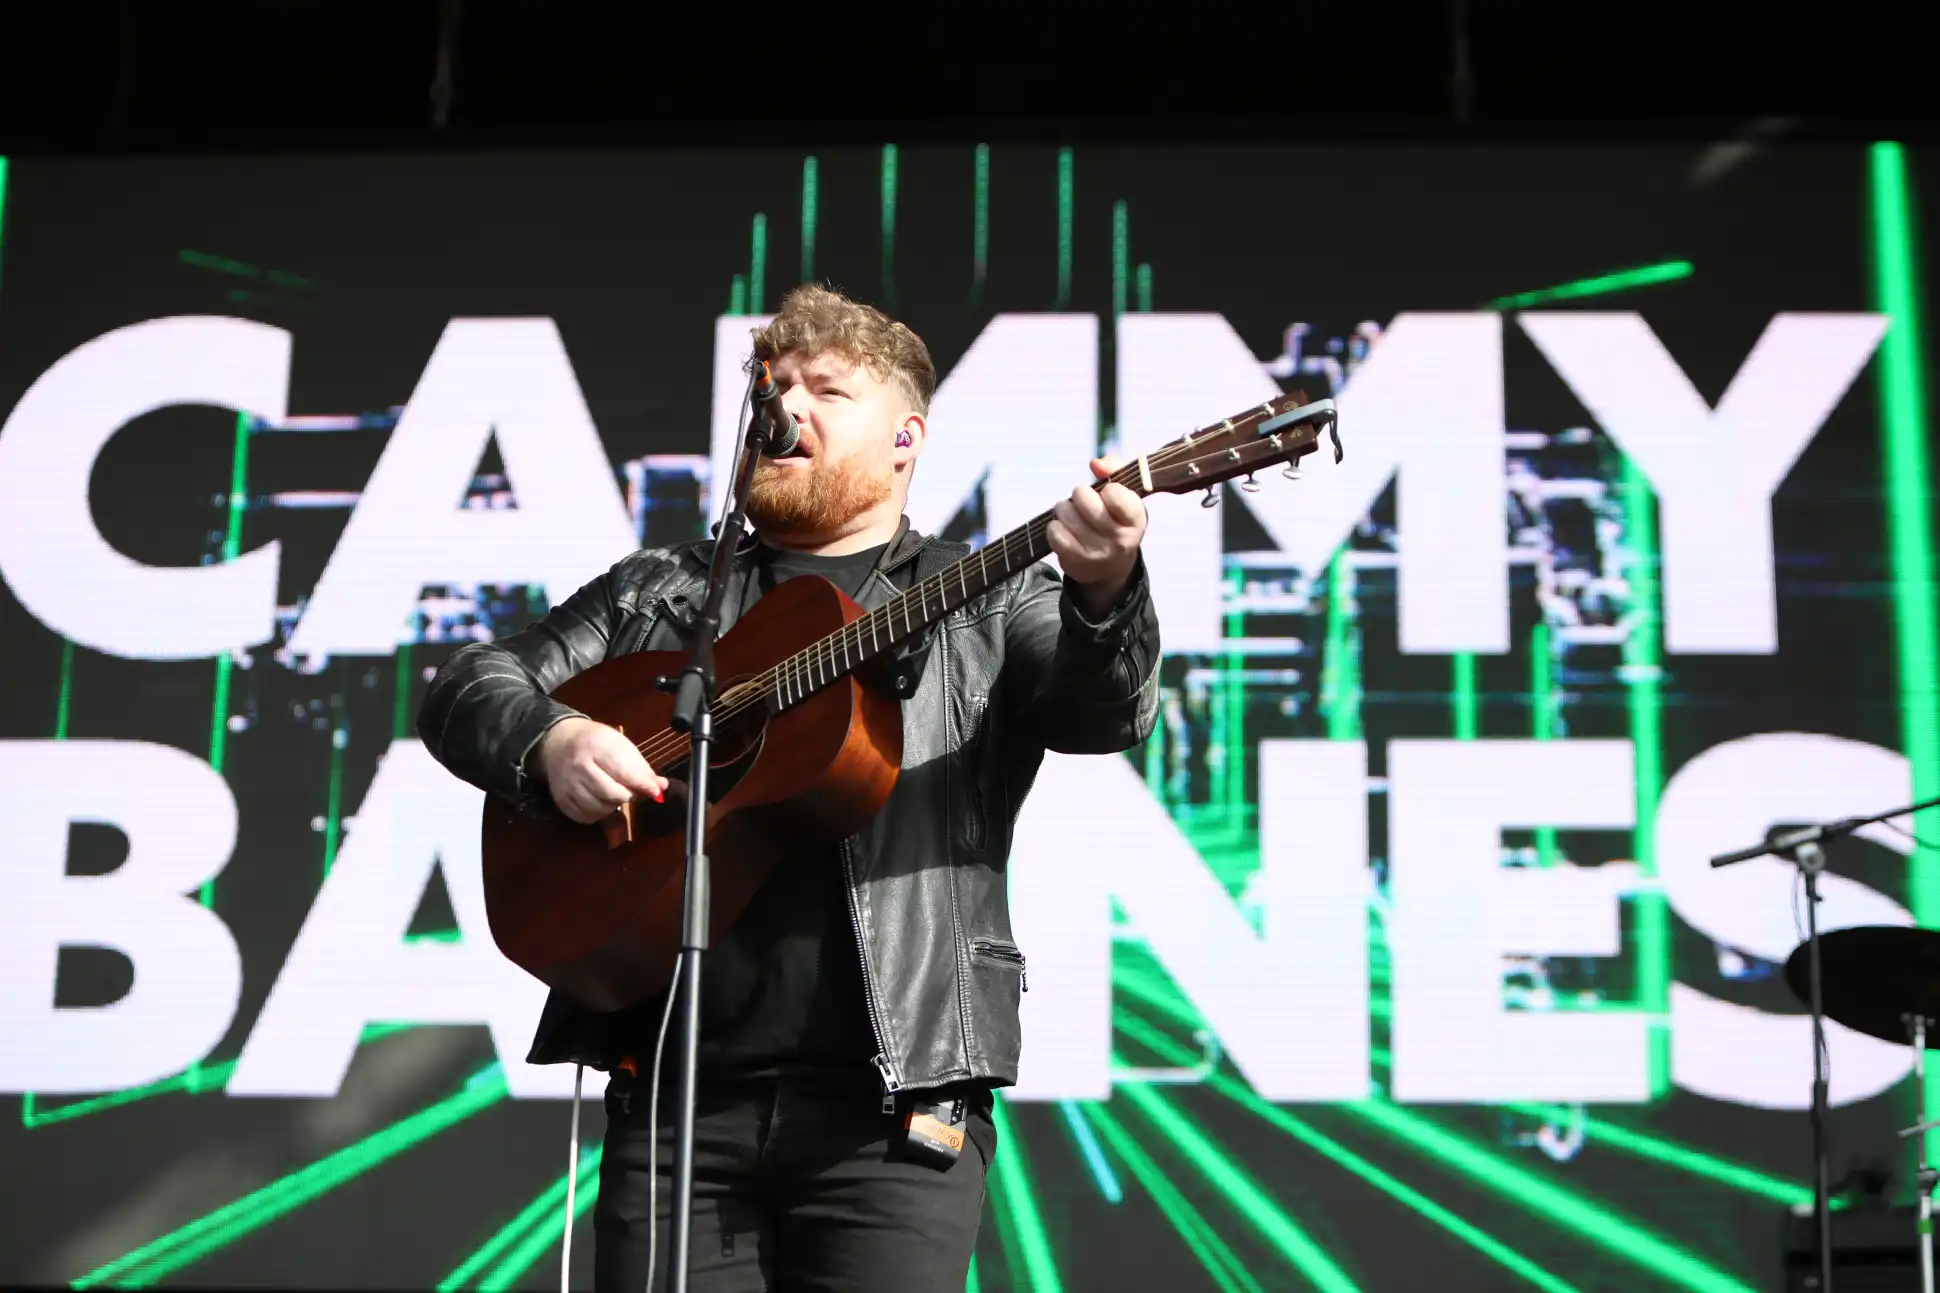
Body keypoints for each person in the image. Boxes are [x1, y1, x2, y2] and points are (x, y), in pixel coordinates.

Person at [417, 283, 1160, 1292]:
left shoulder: (988, 593)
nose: (786, 406)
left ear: (906, 437)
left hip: (893, 1118)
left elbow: (1099, 715)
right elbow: (466, 684)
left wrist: (1106, 590)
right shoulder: (660, 591)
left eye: (825, 389)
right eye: (772, 385)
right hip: (676, 1107)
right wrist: (549, 740)